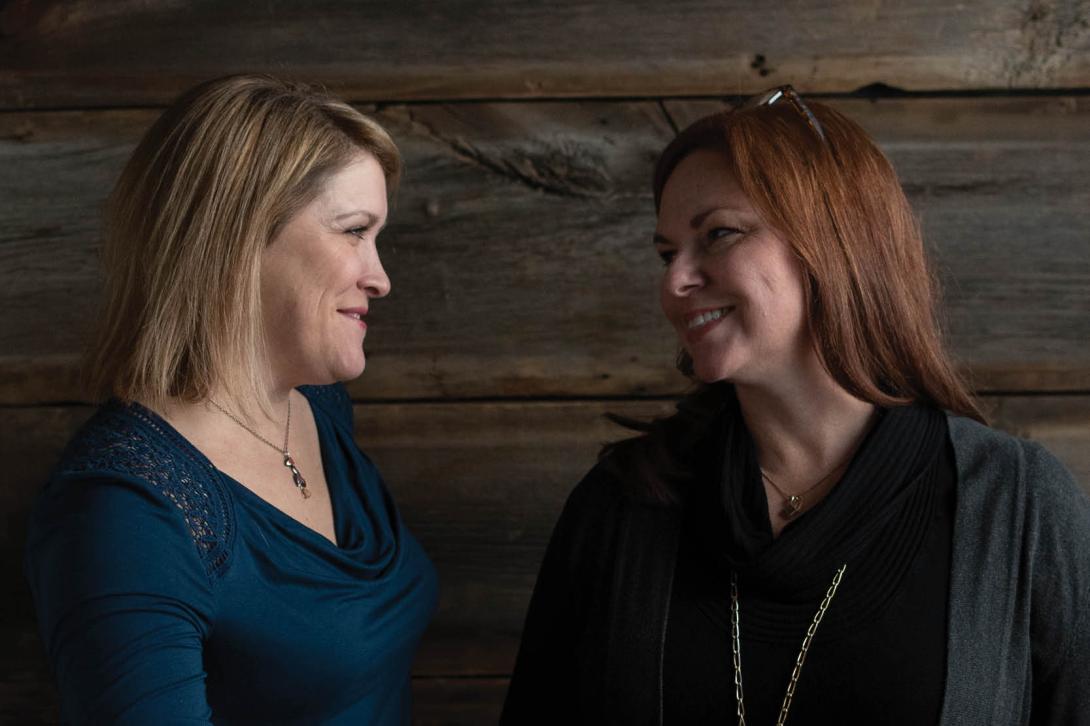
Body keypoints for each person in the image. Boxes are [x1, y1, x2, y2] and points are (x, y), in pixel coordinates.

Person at [501, 86, 1090, 725]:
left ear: (833, 243)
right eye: (668, 253)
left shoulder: (1017, 506)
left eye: (718, 234)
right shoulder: (624, 505)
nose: (674, 281)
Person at [25, 75, 438, 725]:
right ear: (241, 238)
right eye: (354, 231)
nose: (379, 277)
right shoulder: (123, 513)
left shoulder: (319, 407)